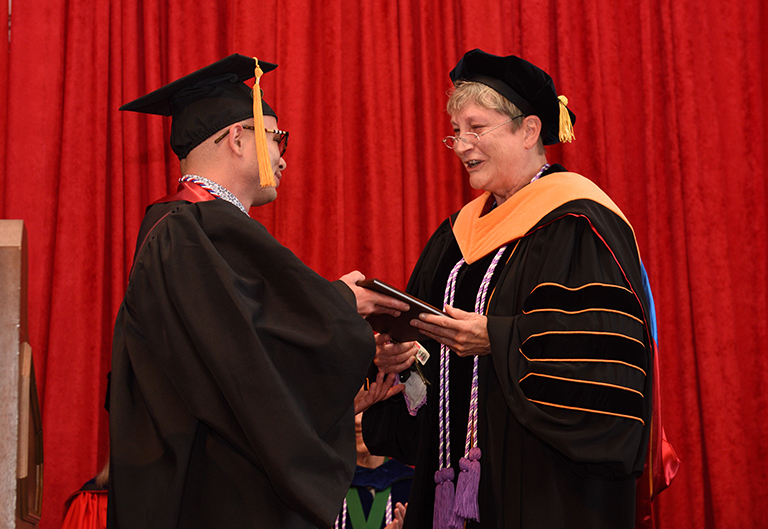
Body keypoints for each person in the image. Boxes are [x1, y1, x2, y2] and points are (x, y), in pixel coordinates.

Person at [363, 49, 677, 528]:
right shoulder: (454, 239)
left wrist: (498, 337)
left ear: (529, 131)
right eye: (456, 132)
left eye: (476, 128)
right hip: (452, 482)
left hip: (550, 490)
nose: (461, 145)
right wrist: (402, 359)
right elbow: (429, 364)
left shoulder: (579, 224)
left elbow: (601, 357)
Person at [108, 53, 407, 529]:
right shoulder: (186, 231)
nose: (283, 156)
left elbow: (249, 343)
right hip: (206, 491)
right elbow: (241, 356)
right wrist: (340, 304)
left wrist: (348, 332)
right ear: (237, 138)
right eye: (275, 137)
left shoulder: (198, 229)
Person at [335, 393, 412, 529]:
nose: (358, 421)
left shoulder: (411, 485)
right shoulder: (327, 485)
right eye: (351, 409)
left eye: (366, 408)